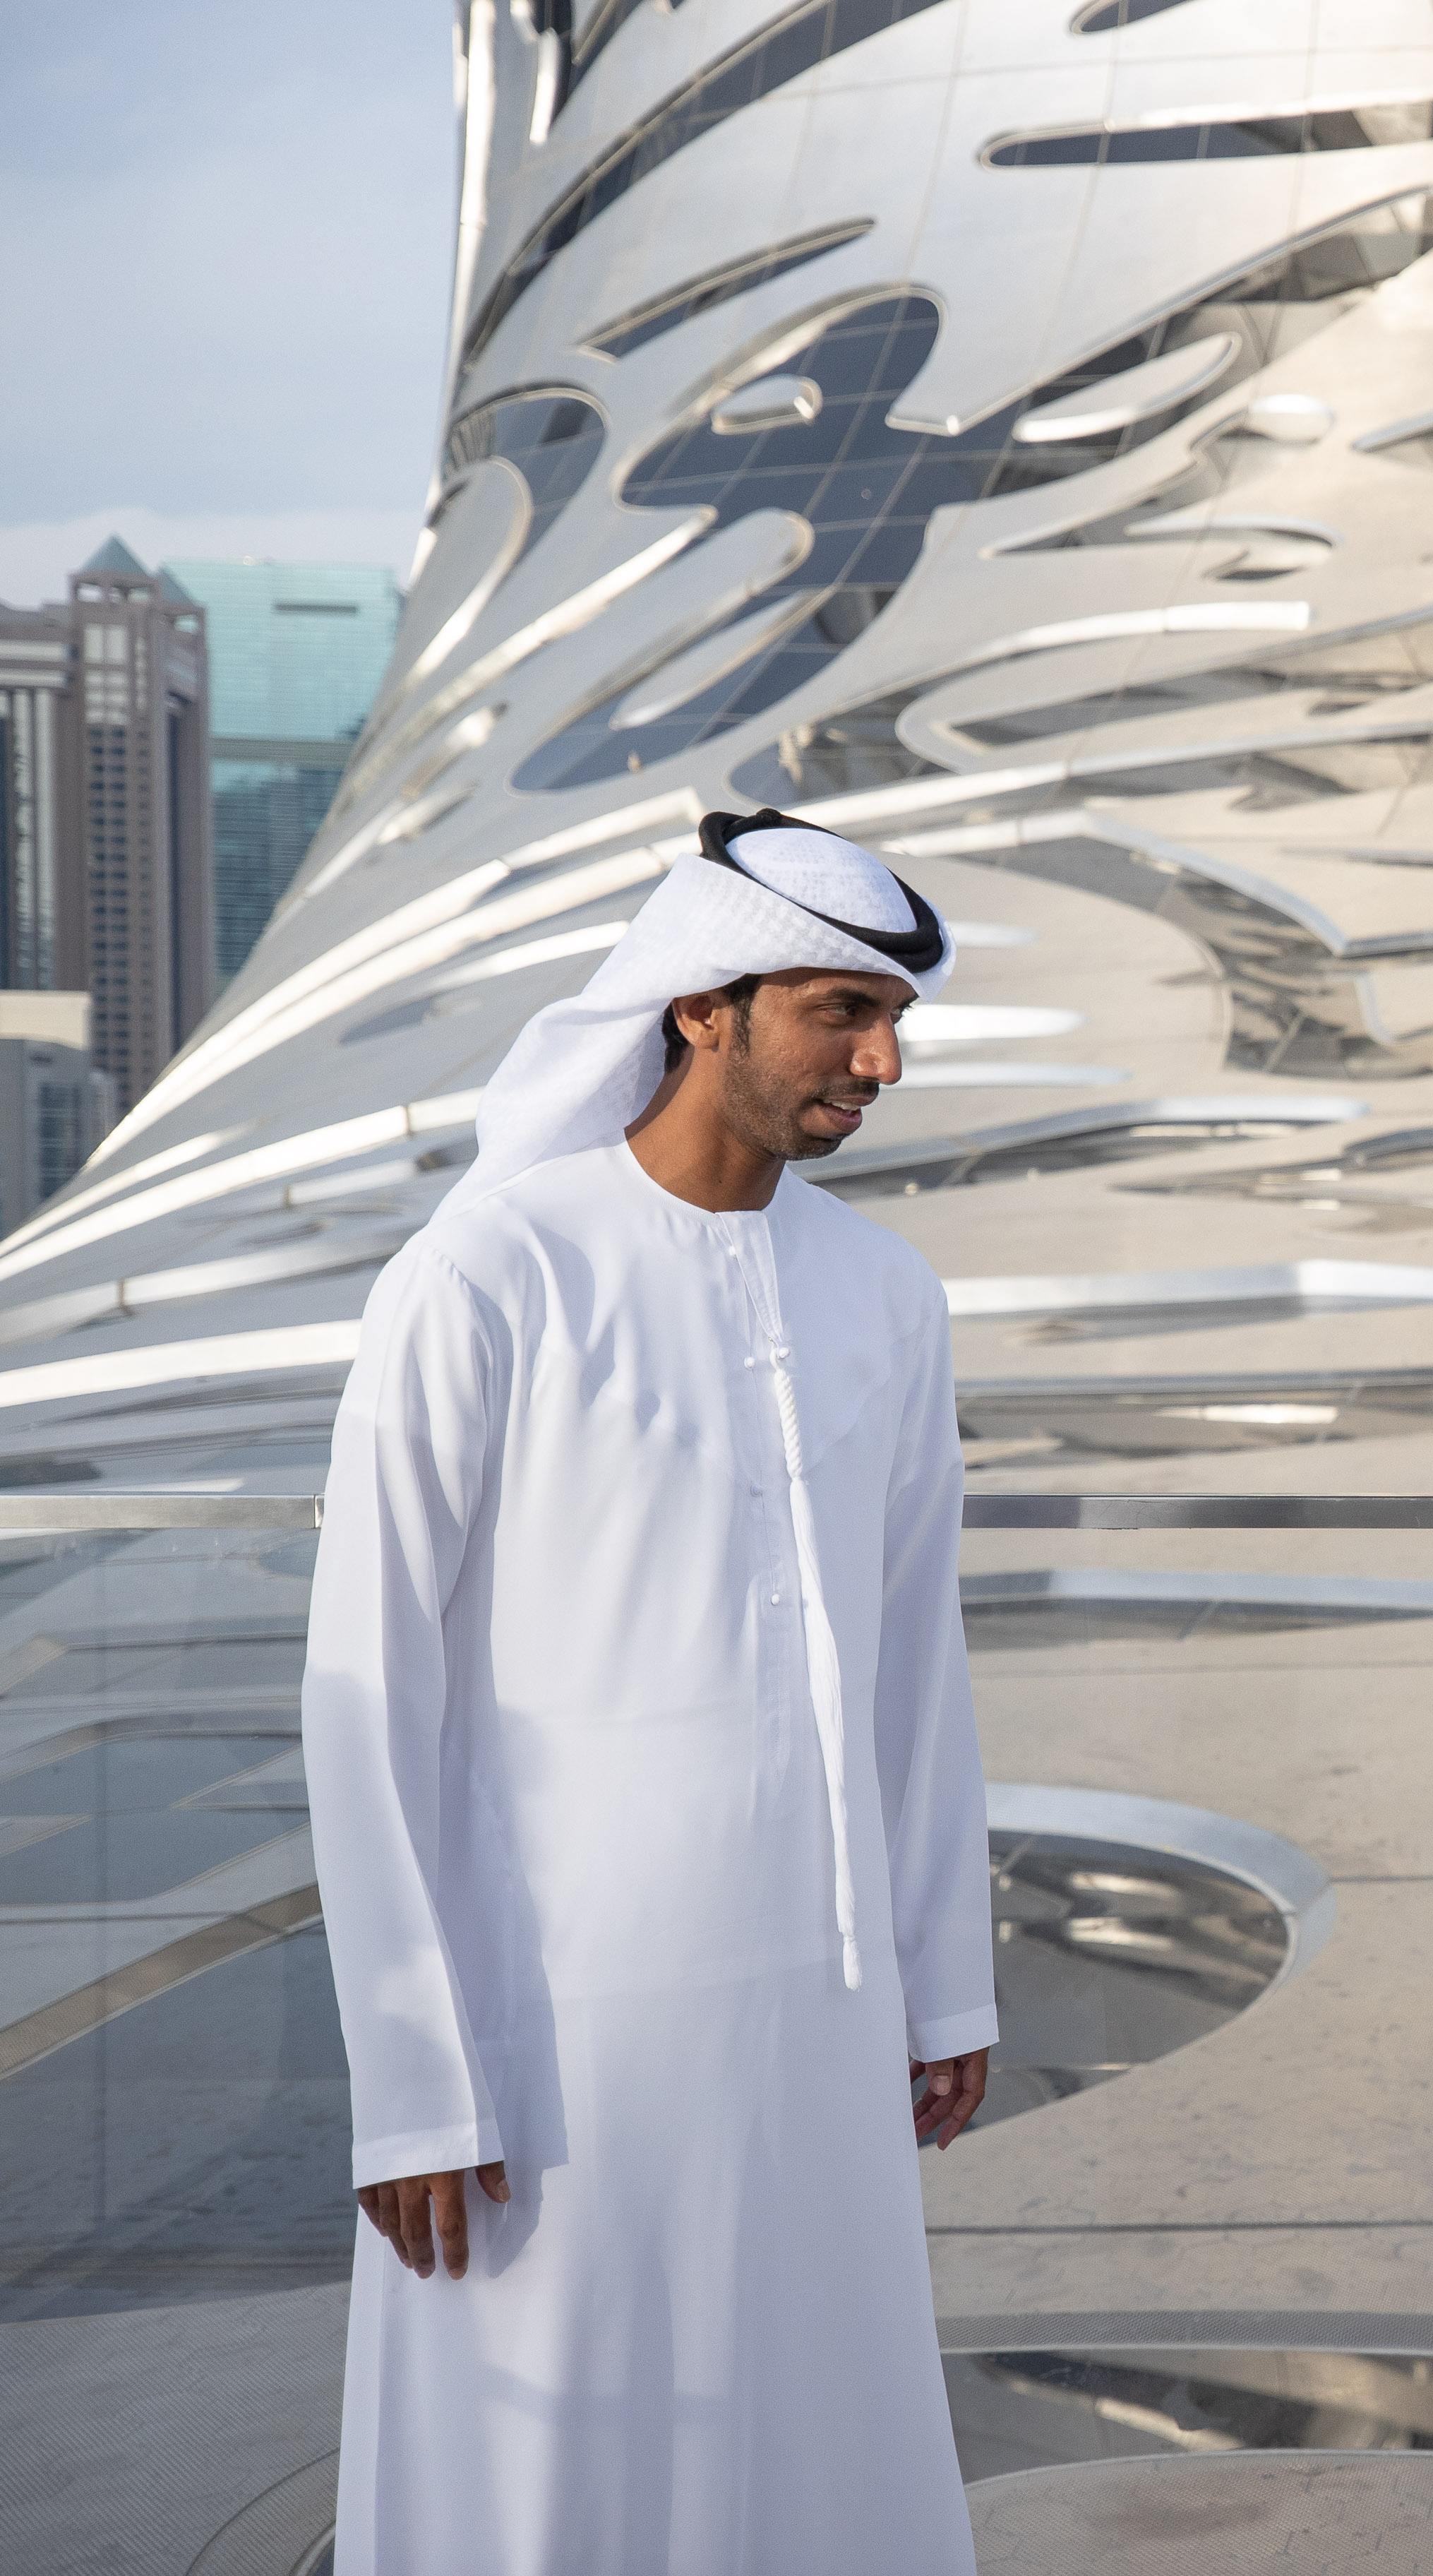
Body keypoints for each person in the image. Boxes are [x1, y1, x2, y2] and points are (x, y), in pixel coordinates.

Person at [303, 809, 996, 2575]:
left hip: (821, 2017)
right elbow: (368, 1691)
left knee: (813, 2448)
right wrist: (415, 2079)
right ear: (702, 1005)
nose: (881, 1063)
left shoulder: (888, 1293)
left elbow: (913, 1660)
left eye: (893, 1020)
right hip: (554, 2030)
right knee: (553, 2469)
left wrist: (943, 1978)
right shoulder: (491, 1272)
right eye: (842, 1012)